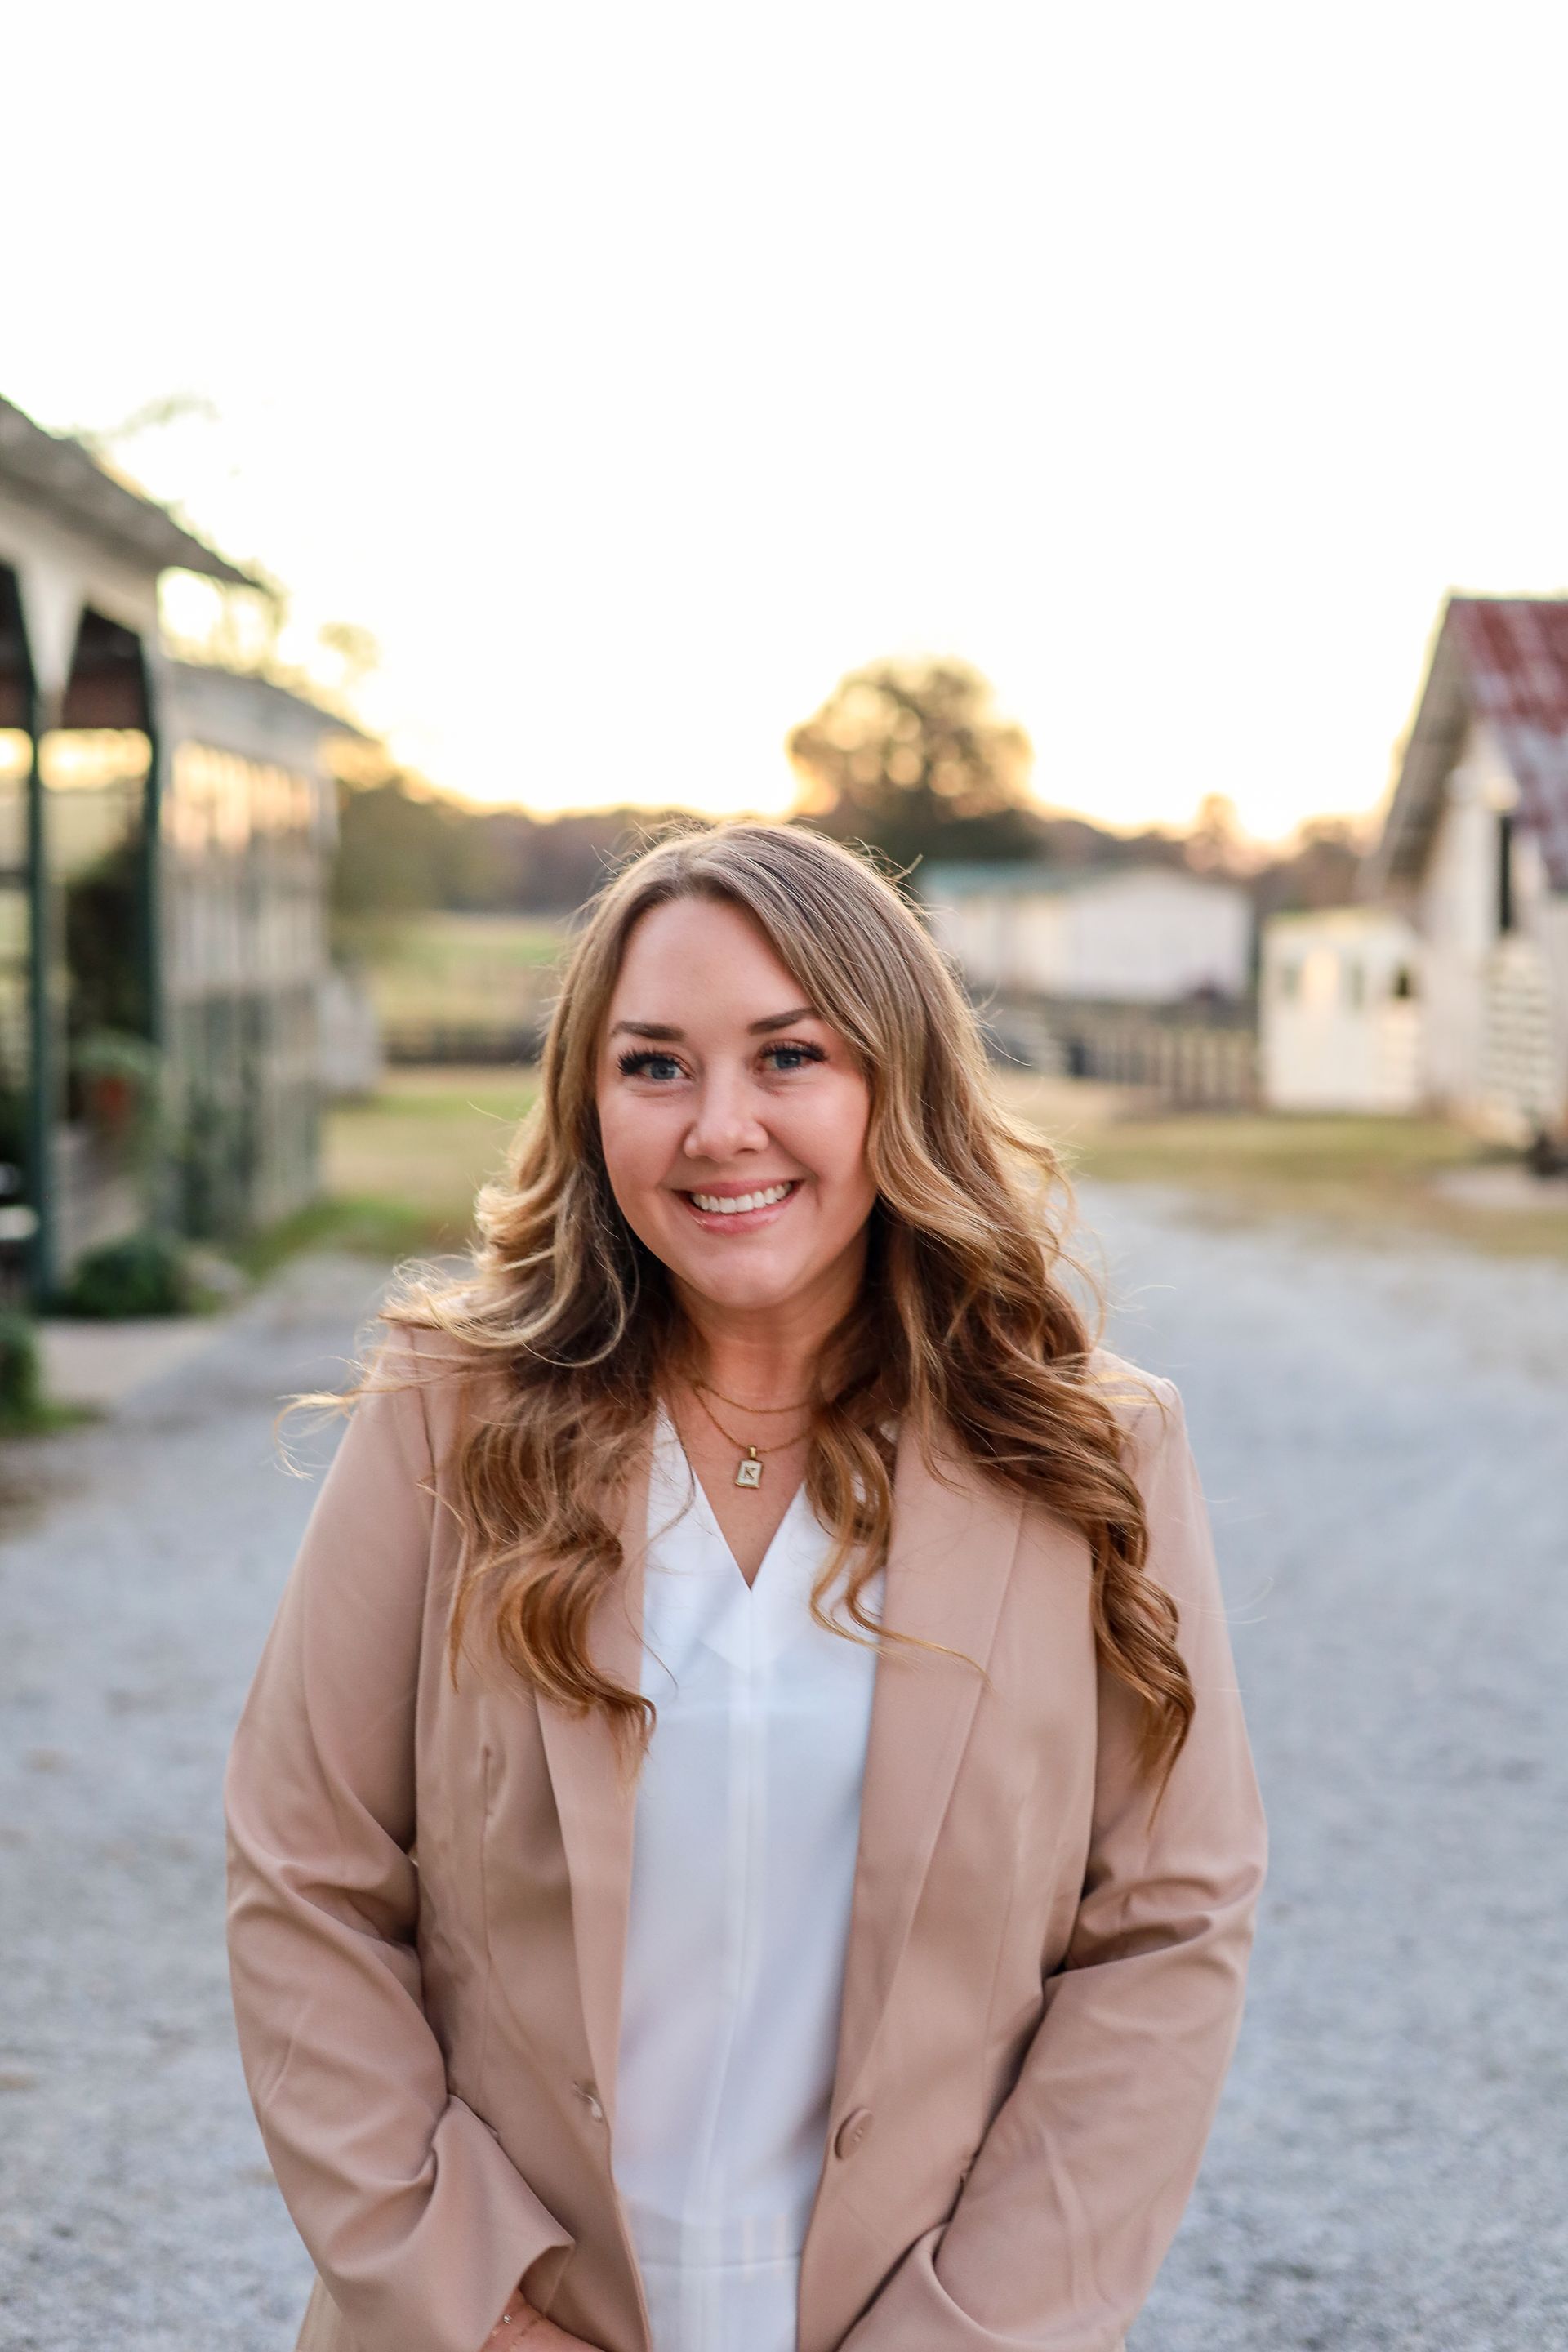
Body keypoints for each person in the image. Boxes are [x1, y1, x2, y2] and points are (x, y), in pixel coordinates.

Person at [225, 822, 1266, 2352]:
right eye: (655, 1066)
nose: (721, 1126)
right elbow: (306, 1879)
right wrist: (484, 2317)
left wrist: (972, 2329)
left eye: (790, 1056)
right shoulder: (444, 1421)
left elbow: (1166, 1929)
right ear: (591, 1105)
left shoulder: (1091, 1451)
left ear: (893, 1083)